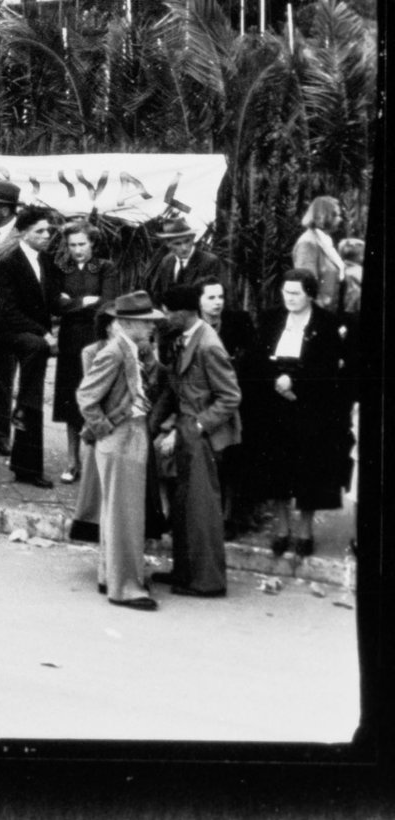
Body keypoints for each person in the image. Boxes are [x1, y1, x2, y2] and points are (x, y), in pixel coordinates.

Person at [244, 268, 354, 560]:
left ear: (309, 294)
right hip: (273, 406)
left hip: (312, 409)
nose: (289, 298)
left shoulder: (327, 323)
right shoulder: (271, 319)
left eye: (296, 293)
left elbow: (330, 366)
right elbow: (255, 358)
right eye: (285, 292)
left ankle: (305, 532)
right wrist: (276, 382)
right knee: (277, 469)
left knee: (309, 470)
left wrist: (296, 383)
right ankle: (281, 529)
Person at [147, 285, 242, 597]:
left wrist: (198, 426)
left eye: (168, 311)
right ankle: (184, 572)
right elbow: (175, 389)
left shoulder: (208, 345)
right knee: (184, 507)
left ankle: (207, 582)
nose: (163, 317)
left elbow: (230, 397)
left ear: (184, 312)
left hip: (202, 434)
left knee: (201, 509)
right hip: (187, 430)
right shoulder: (183, 338)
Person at [76, 292, 165, 610]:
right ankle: (125, 587)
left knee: (116, 515)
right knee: (125, 517)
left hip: (129, 436)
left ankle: (109, 575)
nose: (152, 327)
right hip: (122, 439)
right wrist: (105, 431)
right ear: (127, 323)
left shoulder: (131, 349)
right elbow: (86, 396)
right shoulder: (115, 352)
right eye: (146, 322)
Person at [0, 205, 63, 488]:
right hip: (9, 333)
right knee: (37, 350)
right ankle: (23, 412)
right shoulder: (8, 263)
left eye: (48, 231)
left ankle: (23, 418)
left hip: (33, 334)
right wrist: (44, 334)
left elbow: (52, 301)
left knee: (34, 381)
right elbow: (9, 311)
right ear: (22, 233)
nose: (47, 235)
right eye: (40, 231)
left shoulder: (46, 260)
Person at [52, 222, 118, 486]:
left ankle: (95, 460)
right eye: (72, 245)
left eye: (82, 244)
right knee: (70, 400)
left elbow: (107, 303)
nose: (77, 250)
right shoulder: (61, 269)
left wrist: (73, 303)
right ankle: (72, 460)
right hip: (69, 342)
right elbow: (56, 305)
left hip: (95, 339)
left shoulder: (105, 268)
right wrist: (84, 302)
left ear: (92, 244)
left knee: (95, 397)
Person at [142, 216, 226, 311]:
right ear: (168, 244)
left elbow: (217, 298)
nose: (184, 248)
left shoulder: (209, 262)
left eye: (187, 241)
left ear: (193, 238)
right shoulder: (167, 262)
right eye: (177, 243)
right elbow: (158, 294)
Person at [290, 196, 347, 311]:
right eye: (335, 215)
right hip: (318, 315)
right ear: (322, 216)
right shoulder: (308, 244)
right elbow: (307, 287)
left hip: (329, 313)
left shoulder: (324, 241)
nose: (340, 219)